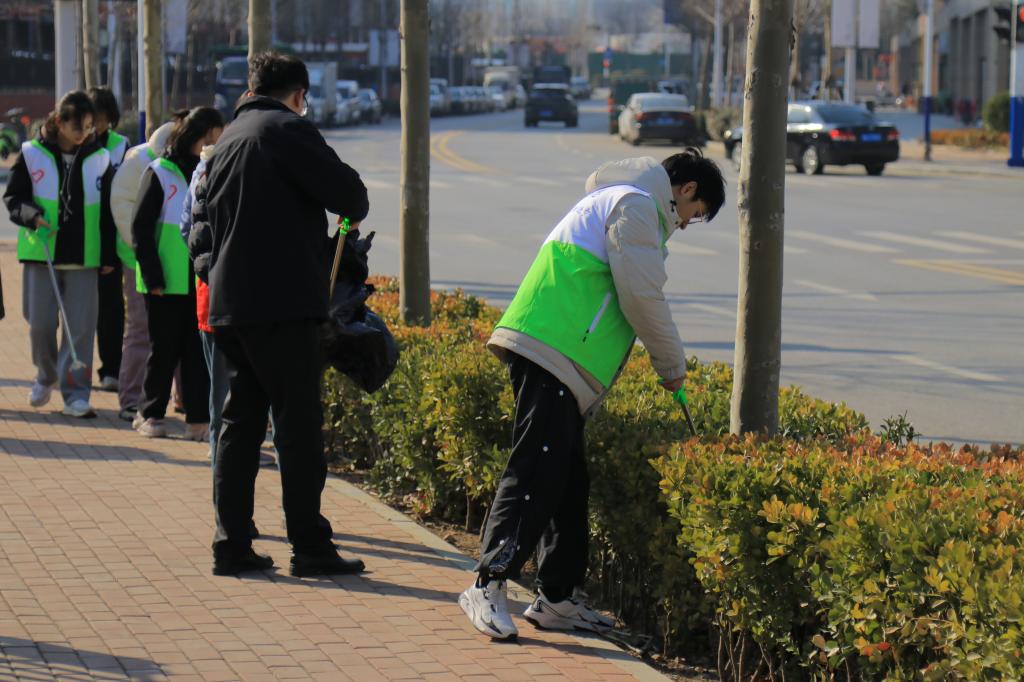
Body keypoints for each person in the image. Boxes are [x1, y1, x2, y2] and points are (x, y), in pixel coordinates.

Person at [459, 150, 726, 640]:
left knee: (567, 481)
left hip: (562, 353)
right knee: (536, 470)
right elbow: (641, 295)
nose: (688, 223)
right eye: (696, 212)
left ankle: (555, 600)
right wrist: (671, 365)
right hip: (552, 348)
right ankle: (487, 583)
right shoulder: (636, 205)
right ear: (687, 190)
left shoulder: (625, 201)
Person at [203, 51, 368, 577]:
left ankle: (231, 544)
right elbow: (351, 196)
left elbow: (203, 228)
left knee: (239, 425)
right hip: (283, 303)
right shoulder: (289, 130)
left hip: (230, 305)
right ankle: (310, 546)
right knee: (297, 428)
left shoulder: (227, 139)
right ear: (298, 94)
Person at [3, 90, 116, 418]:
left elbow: (108, 212)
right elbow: (14, 198)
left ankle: (76, 394)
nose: (84, 133)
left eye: (89, 126)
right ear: (59, 122)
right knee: (39, 324)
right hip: (42, 252)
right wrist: (32, 215)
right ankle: (46, 374)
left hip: (85, 256)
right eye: (78, 126)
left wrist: (109, 255)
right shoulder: (31, 153)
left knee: (80, 329)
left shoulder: (101, 158)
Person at [131, 107, 222, 440]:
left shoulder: (212, 171)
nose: (215, 145)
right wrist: (152, 275)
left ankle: (197, 420)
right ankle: (150, 413)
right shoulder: (159, 172)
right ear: (195, 136)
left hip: (197, 280)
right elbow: (141, 229)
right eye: (211, 138)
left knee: (196, 354)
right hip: (164, 282)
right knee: (163, 351)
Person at [110, 120, 175, 421]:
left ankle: (185, 399)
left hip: (177, 261)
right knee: (140, 329)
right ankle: (131, 398)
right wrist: (143, 252)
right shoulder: (138, 161)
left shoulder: (190, 163)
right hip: (138, 260)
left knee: (181, 333)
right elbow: (123, 207)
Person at [88, 87, 129, 393]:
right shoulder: (74, 144)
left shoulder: (121, 146)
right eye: (94, 117)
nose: (98, 124)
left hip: (110, 242)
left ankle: (111, 369)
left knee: (111, 310)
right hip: (78, 241)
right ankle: (73, 369)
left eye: (103, 117)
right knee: (77, 312)